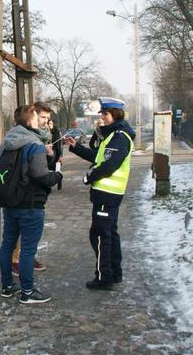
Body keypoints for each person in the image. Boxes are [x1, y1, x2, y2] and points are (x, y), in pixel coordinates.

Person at [64, 97, 135, 290]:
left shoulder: (119, 137)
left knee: (100, 235)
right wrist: (76, 147)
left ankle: (104, 278)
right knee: (110, 233)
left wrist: (90, 176)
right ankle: (114, 273)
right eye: (102, 114)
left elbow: (109, 165)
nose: (101, 117)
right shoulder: (114, 135)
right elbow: (98, 156)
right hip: (108, 193)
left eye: (105, 114)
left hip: (107, 192)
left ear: (115, 114)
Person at [0, 104, 63, 303]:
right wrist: (57, 175)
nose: (42, 122)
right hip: (31, 204)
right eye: (38, 118)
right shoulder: (34, 144)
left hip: (10, 203)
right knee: (27, 249)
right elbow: (41, 175)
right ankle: (27, 292)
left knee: (7, 245)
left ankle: (7, 287)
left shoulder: (8, 141)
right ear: (30, 121)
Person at [10, 102, 54, 277]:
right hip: (23, 193)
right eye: (42, 117)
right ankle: (18, 268)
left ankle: (23, 260)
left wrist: (48, 156)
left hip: (32, 193)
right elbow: (36, 172)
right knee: (18, 234)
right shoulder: (25, 137)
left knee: (26, 236)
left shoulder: (40, 136)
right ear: (32, 117)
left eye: (47, 118)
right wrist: (55, 178)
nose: (45, 121)